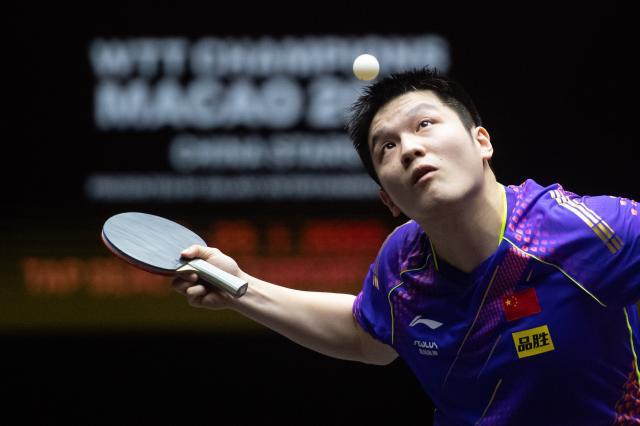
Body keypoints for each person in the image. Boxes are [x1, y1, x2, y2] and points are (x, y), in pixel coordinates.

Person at [172, 68, 640, 425]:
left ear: (482, 141)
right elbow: (366, 336)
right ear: (389, 200)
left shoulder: (584, 231)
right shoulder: (402, 263)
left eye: (425, 124)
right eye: (387, 148)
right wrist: (241, 288)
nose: (411, 149)